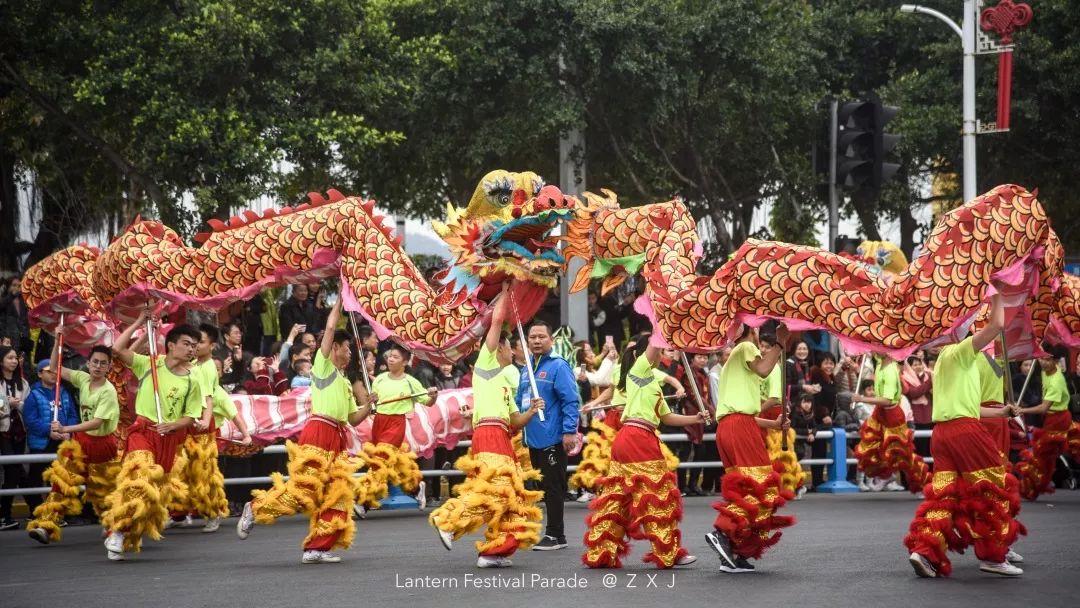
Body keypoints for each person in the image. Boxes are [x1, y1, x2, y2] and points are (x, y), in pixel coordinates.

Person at [237, 298, 372, 563]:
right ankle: (255, 508)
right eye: (347, 349)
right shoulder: (324, 367)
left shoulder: (344, 382)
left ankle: (317, 548)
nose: (349, 354)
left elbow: (353, 419)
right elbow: (331, 328)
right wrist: (340, 302)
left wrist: (369, 405)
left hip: (337, 438)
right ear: (335, 348)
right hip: (318, 433)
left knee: (338, 494)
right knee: (304, 492)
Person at [905, 293, 1027, 578]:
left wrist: (1003, 413)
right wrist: (996, 294)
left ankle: (924, 551)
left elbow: (969, 407)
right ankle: (994, 556)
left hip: (942, 434)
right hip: (965, 433)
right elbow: (997, 325)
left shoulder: (945, 361)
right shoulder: (960, 351)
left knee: (943, 497)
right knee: (994, 490)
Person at [429, 286, 545, 568]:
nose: (513, 350)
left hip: (503, 436)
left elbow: (514, 421)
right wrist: (507, 290)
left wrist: (531, 411)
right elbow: (495, 322)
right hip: (488, 434)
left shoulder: (508, 379)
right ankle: (448, 522)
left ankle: (494, 551)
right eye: (510, 346)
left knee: (513, 496)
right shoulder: (486, 364)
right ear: (501, 348)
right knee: (498, 487)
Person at [582, 339, 705, 569]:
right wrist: (661, 320)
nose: (660, 352)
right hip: (637, 439)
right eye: (658, 349)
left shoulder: (652, 383)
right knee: (657, 495)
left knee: (618, 498)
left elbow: (667, 418)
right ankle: (669, 551)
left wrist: (695, 418)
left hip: (633, 438)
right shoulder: (638, 371)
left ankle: (601, 552)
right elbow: (652, 344)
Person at [101, 312, 204, 560]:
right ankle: (117, 531)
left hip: (167, 439)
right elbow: (116, 348)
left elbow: (190, 416)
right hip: (143, 431)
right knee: (140, 475)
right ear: (171, 345)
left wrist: (172, 425)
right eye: (187, 344)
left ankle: (127, 532)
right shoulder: (151, 364)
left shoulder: (193, 381)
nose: (191, 349)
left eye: (194, 346)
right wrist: (138, 321)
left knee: (152, 493)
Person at [705, 323, 795, 574]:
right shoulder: (744, 347)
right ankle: (722, 532)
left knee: (746, 486)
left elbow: (746, 412)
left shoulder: (735, 358)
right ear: (752, 331)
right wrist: (779, 343)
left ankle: (734, 552)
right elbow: (765, 369)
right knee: (760, 484)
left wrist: (774, 423)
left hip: (732, 426)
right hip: (738, 426)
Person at [27, 343, 121, 544]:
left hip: (103, 445)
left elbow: (97, 422)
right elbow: (54, 368)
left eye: (103, 363)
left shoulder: (108, 391)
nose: (97, 366)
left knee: (104, 492)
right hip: (81, 443)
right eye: (94, 362)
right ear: (87, 363)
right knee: (61, 481)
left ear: (109, 367)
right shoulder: (83, 378)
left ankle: (115, 529)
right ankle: (46, 525)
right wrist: (56, 342)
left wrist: (65, 429)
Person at [166, 324, 252, 533]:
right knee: (180, 471)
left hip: (202, 429)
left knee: (204, 474)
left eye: (200, 343)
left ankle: (212, 512)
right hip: (186, 425)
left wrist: (245, 434)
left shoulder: (208, 369)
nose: (194, 347)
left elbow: (212, 400)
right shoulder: (192, 365)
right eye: (191, 344)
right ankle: (178, 513)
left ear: (212, 346)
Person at [515, 320, 580, 550]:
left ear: (551, 340)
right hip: (532, 438)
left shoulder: (558, 366)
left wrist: (569, 431)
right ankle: (556, 535)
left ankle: (554, 534)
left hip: (552, 437)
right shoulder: (525, 369)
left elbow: (570, 400)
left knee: (553, 488)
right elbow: (519, 402)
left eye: (542, 337)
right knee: (542, 487)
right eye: (532, 337)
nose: (536, 341)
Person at [357, 344, 438, 510]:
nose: (391, 359)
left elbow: (428, 402)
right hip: (379, 422)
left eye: (395, 357)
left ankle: (363, 500)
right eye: (390, 356)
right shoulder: (379, 378)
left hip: (396, 424)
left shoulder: (411, 382)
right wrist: (370, 399)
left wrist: (433, 396)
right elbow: (373, 402)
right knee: (388, 463)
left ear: (405, 362)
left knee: (379, 459)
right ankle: (416, 488)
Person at [852, 353, 929, 494]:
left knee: (902, 453)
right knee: (871, 443)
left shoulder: (890, 371)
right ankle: (886, 474)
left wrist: (862, 398)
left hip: (892, 413)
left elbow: (887, 400)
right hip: (880, 412)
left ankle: (922, 483)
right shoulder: (880, 361)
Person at [1015, 347, 1080, 500]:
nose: (1043, 363)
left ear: (1056, 362)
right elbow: (1039, 351)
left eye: (1047, 360)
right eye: (1042, 359)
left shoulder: (1056, 381)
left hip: (1058, 419)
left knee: (1041, 456)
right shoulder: (1045, 370)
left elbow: (1043, 407)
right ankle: (1031, 486)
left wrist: (1022, 410)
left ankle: (1030, 488)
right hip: (1052, 419)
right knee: (1071, 445)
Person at [19, 358, 79, 519]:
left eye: (55, 371)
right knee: (37, 479)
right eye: (48, 371)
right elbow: (30, 420)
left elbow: (73, 415)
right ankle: (37, 512)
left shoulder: (64, 392)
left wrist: (68, 430)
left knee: (61, 479)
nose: (53, 374)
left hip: (62, 442)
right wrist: (49, 431)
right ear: (39, 374)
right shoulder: (34, 395)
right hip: (41, 444)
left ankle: (58, 513)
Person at [757, 331, 806, 498]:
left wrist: (756, 410)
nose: (763, 350)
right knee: (764, 452)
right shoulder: (760, 367)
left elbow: (774, 397)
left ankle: (791, 485)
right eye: (761, 346)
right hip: (763, 411)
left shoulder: (775, 368)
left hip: (773, 411)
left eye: (767, 347)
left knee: (780, 453)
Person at [0, 345, 30, 530]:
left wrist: (17, 405)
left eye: (15, 358)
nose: (14, 361)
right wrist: (6, 404)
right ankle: (4, 515)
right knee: (13, 469)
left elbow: (28, 407)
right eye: (10, 358)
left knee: (16, 470)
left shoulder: (23, 383)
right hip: (3, 431)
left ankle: (4, 516)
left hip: (19, 432)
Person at [902, 354, 934, 458]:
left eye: (920, 364)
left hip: (929, 418)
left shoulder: (926, 376)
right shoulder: (904, 379)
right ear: (908, 367)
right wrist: (929, 383)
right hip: (916, 420)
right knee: (919, 450)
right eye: (915, 365)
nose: (918, 367)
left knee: (930, 449)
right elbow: (913, 393)